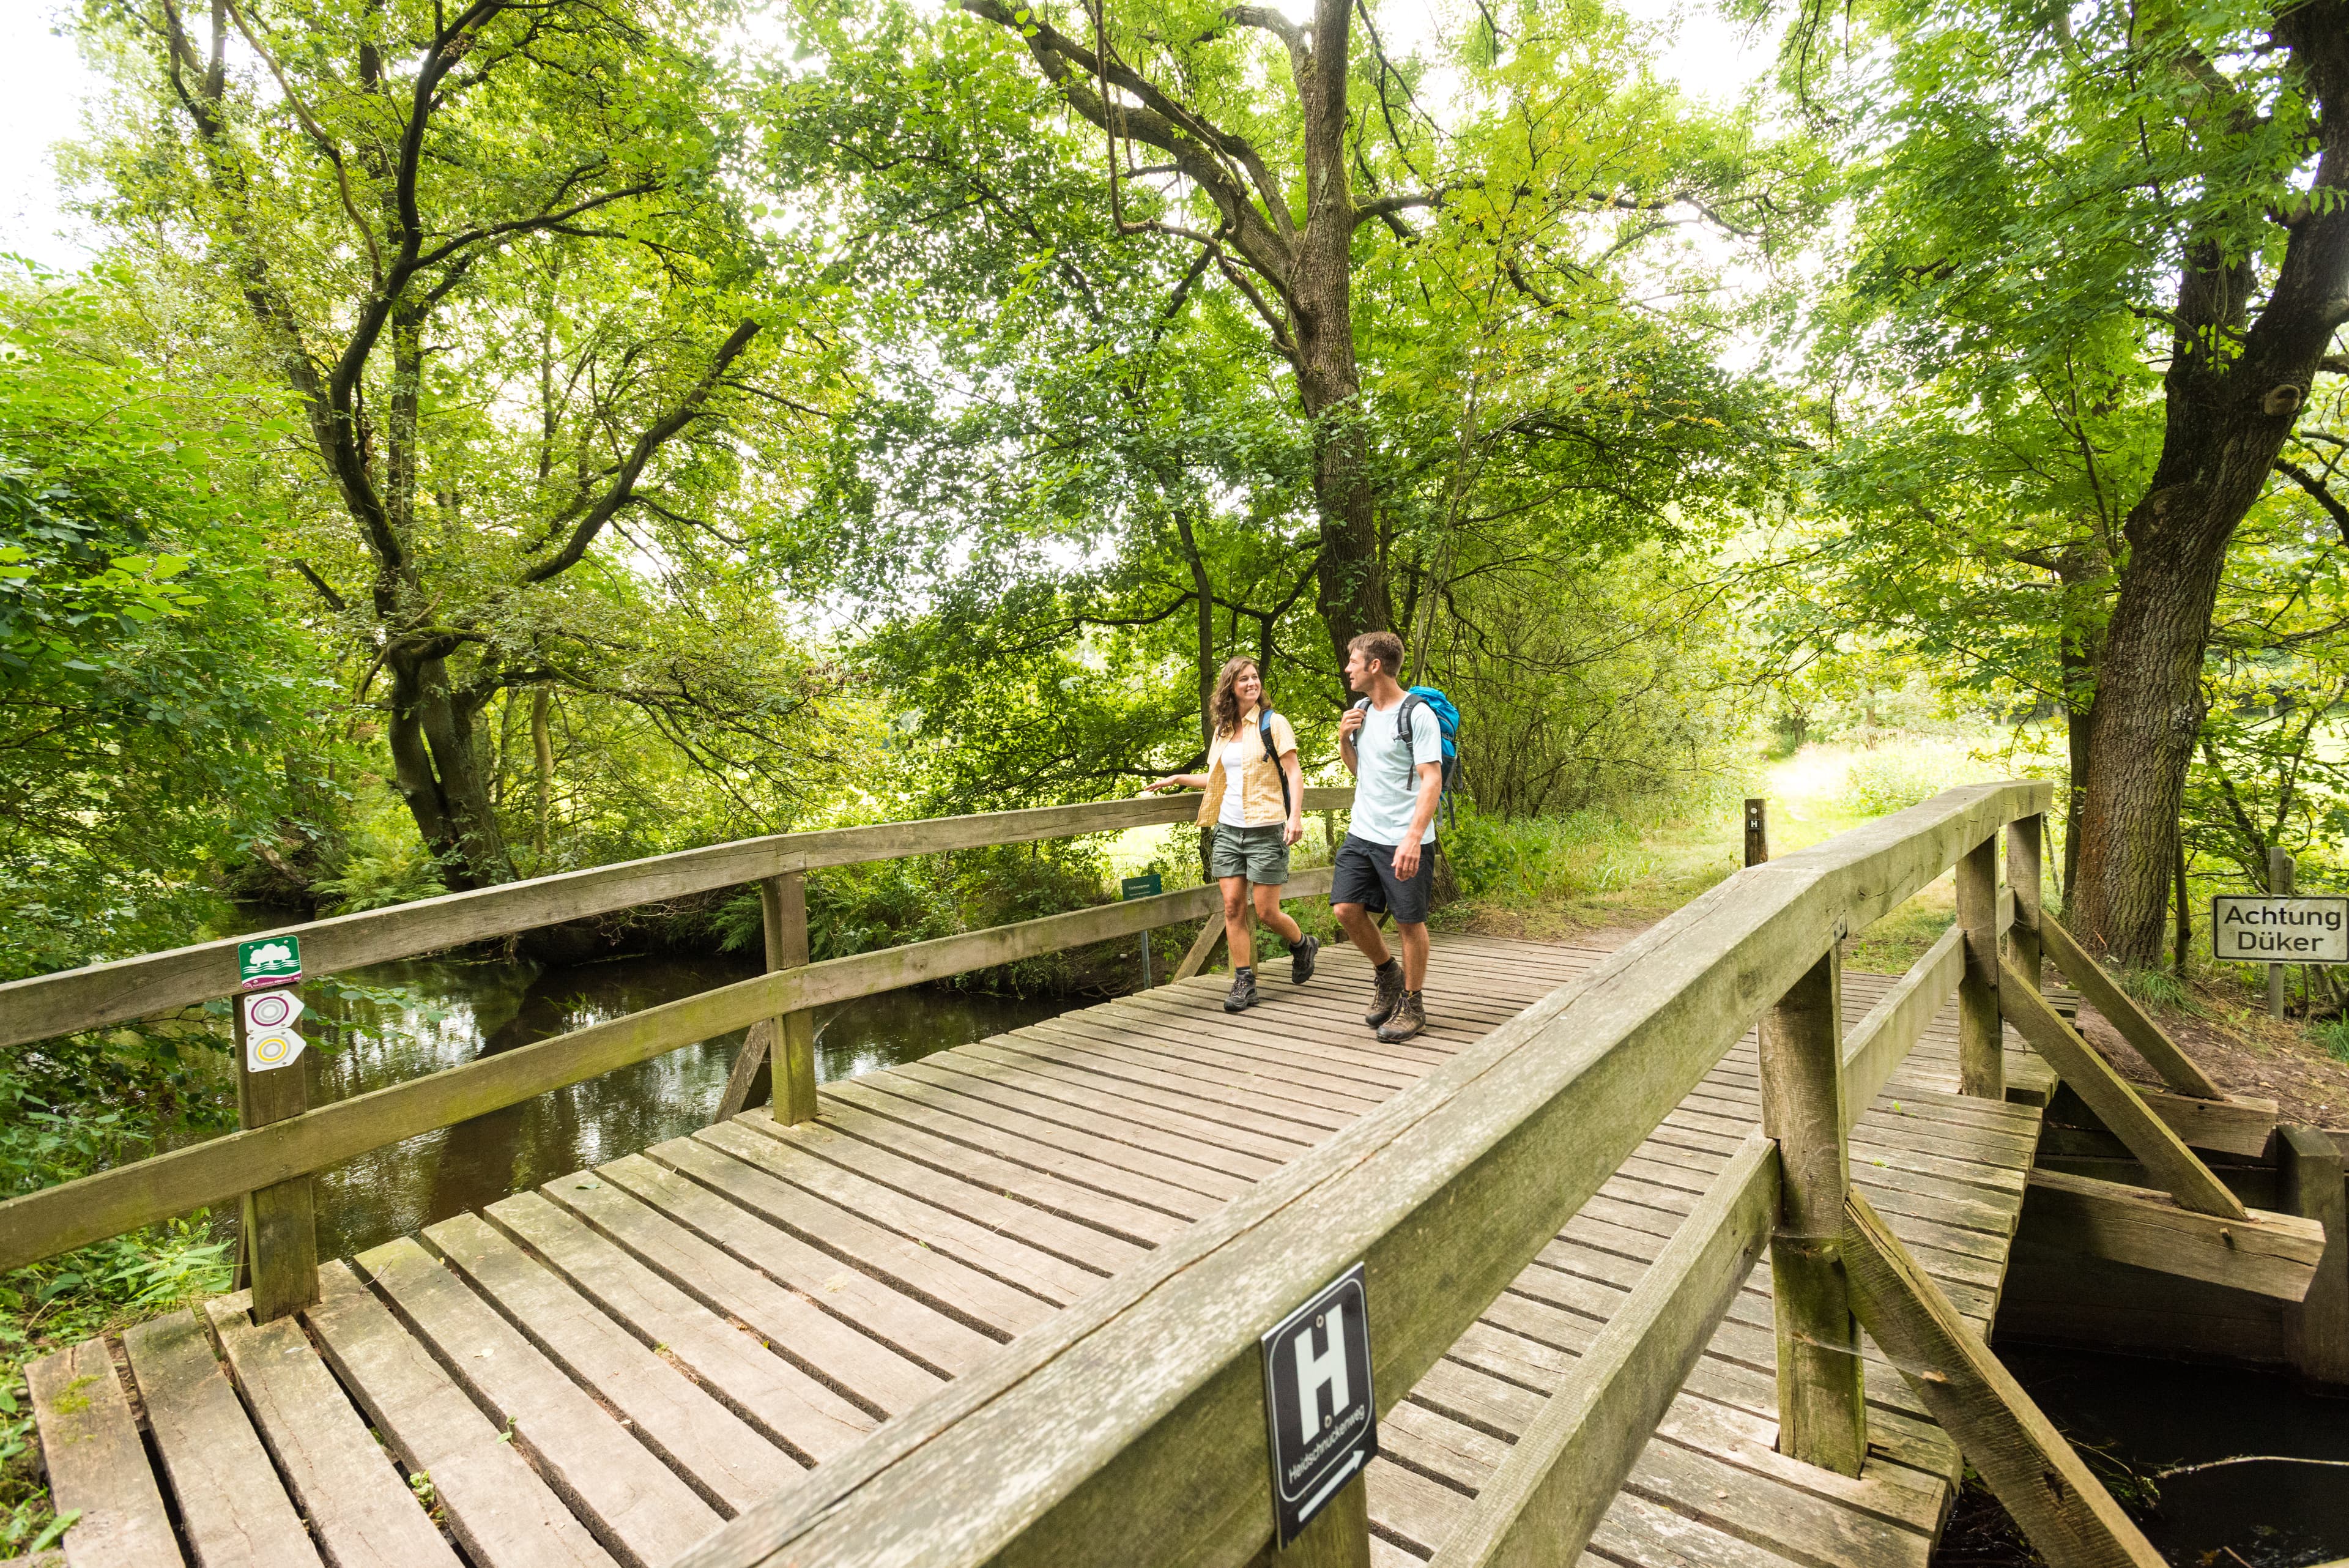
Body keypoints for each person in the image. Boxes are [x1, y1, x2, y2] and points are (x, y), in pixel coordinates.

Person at [1142, 656, 1319, 1011]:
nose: (1252, 683)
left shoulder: (1274, 723)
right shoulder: (1224, 730)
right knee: (1233, 907)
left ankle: (1302, 944)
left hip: (1267, 829)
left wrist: (1295, 817)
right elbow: (1217, 779)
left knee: (1267, 912)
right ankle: (1244, 982)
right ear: (1230, 687)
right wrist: (1177, 779)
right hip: (1228, 830)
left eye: (1255, 677)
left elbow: (1294, 773)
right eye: (1244, 679)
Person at [1332, 630, 1443, 1042]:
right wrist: (1344, 739)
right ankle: (1388, 973)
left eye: (1353, 661)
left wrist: (1413, 837)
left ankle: (1413, 1004)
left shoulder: (1417, 715)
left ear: (1374, 665)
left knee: (1409, 922)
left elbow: (1431, 780)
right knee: (1345, 909)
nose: (1348, 669)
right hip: (1362, 831)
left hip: (1403, 835)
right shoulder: (1360, 710)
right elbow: (1362, 771)